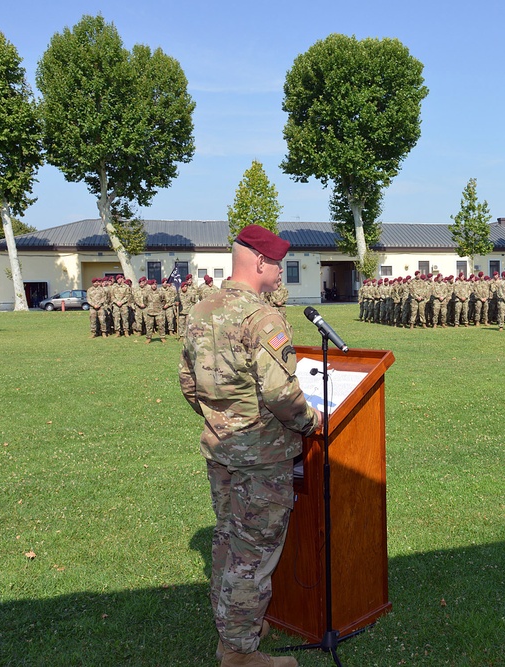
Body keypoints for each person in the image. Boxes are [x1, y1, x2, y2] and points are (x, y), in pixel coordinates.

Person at [180, 224, 322, 667]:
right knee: (252, 554)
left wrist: (222, 419)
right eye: (277, 264)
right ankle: (240, 655)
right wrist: (310, 421)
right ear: (259, 262)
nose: (280, 272)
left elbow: (189, 384)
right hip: (261, 458)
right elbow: (281, 395)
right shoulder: (262, 318)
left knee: (227, 541)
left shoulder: (200, 310)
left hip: (221, 450)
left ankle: (234, 628)